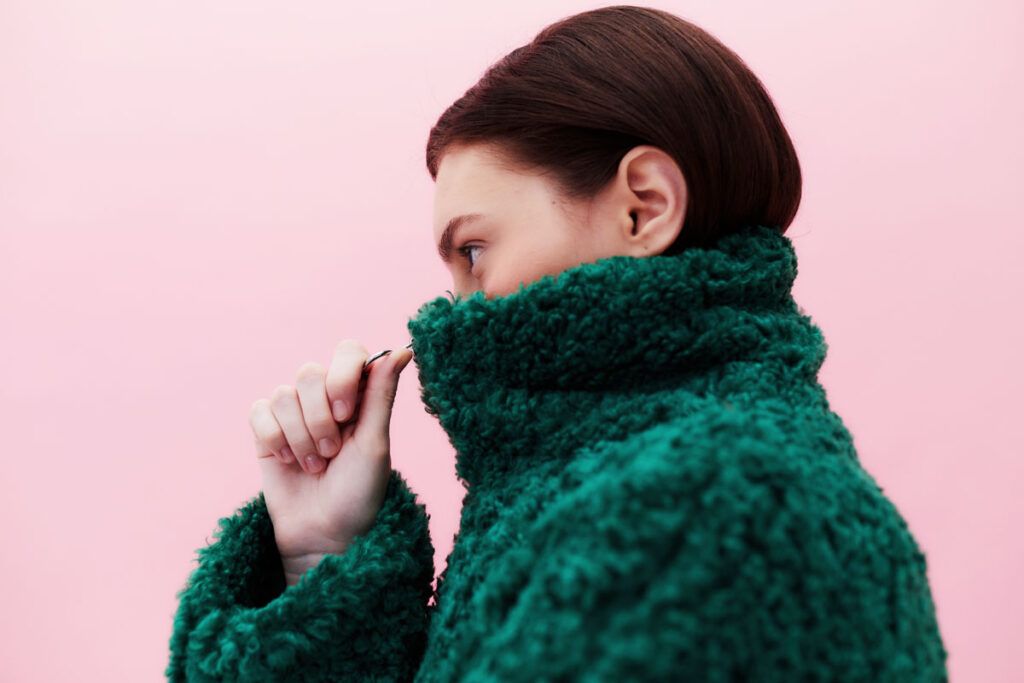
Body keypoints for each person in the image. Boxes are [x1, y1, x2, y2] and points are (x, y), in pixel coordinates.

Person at [166, 6, 949, 681]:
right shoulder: (647, 488)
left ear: (644, 207)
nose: (449, 316)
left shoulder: (701, 508)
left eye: (472, 253)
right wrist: (320, 557)